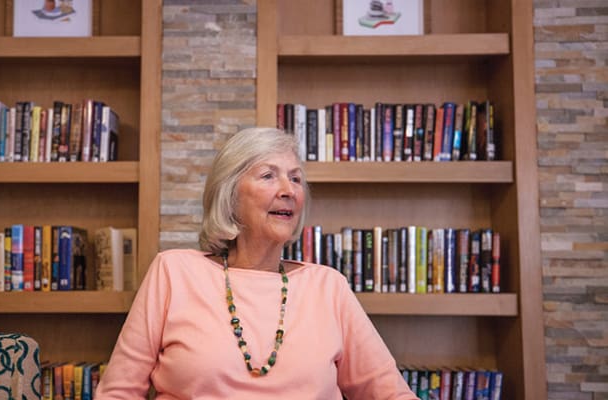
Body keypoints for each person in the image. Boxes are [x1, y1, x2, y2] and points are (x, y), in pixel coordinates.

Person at [95, 127, 417, 399]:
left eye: (295, 179)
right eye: (268, 176)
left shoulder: (328, 286)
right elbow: (118, 392)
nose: (288, 190)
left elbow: (391, 393)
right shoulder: (174, 272)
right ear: (230, 195)